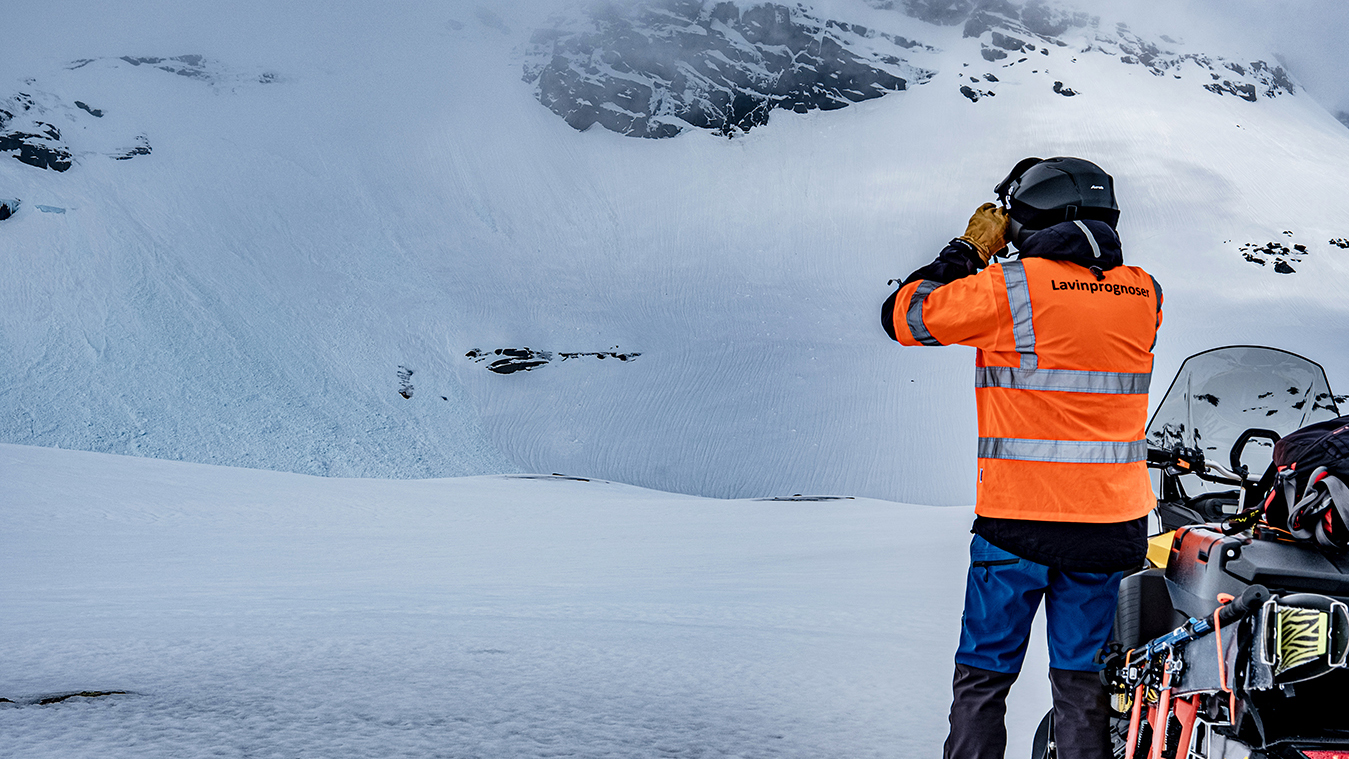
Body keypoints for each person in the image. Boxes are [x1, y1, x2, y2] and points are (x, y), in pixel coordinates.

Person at [880, 157, 1163, 759]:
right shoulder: (1145, 293)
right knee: (1085, 685)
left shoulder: (1009, 289)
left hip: (1018, 524)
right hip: (1111, 526)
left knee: (984, 679)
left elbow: (905, 315)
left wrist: (970, 247)